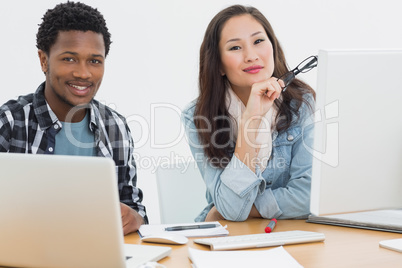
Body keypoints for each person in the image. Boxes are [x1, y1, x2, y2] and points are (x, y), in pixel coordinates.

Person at [0, 2, 147, 234]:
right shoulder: (9, 122)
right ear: (44, 60)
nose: (83, 73)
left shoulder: (115, 126)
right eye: (69, 59)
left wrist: (135, 218)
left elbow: (134, 207)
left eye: (95, 61)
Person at [182, 5, 315, 222]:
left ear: (273, 47)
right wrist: (250, 120)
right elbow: (232, 209)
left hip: (291, 235)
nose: (251, 56)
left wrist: (247, 208)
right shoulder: (197, 116)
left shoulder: (301, 104)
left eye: (258, 41)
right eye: (235, 48)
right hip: (229, 238)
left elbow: (308, 198)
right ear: (219, 65)